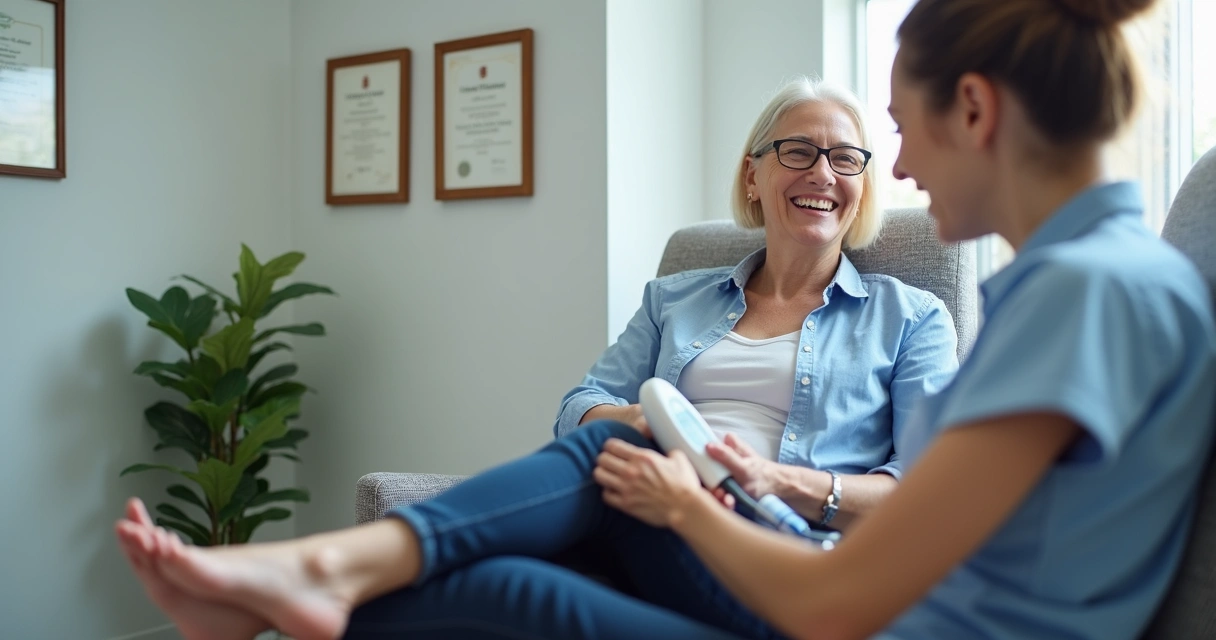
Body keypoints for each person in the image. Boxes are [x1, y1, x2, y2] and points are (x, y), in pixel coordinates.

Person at [115, 76, 962, 640]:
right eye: (798, 151)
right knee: (456, 588)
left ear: (862, 186)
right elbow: (582, 399)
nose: (824, 172)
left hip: (779, 561)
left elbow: (925, 504)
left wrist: (775, 481)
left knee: (610, 449)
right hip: (653, 528)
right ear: (753, 175)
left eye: (846, 157)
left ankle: (314, 564)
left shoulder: (910, 315)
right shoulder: (680, 297)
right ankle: (279, 607)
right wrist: (635, 420)